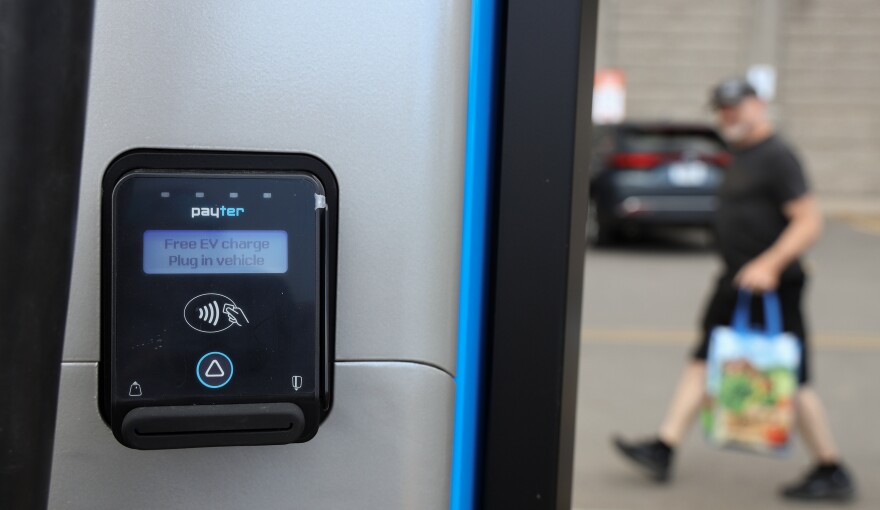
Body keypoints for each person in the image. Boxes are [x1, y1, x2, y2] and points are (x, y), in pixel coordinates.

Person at [612, 77, 856, 502]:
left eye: (736, 106)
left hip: (770, 286)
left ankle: (831, 467)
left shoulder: (777, 156)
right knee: (702, 360)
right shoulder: (742, 153)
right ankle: (664, 447)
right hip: (735, 282)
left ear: (758, 104)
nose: (728, 115)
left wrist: (769, 264)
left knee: (789, 376)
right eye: (722, 108)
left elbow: (809, 222)